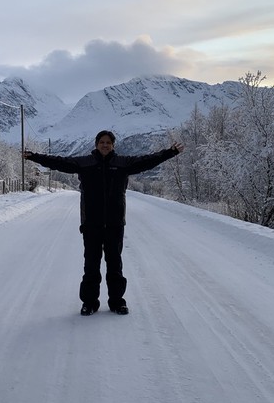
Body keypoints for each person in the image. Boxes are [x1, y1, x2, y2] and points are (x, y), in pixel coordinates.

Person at [24, 130, 183, 316]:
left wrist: (170, 152)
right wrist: (34, 157)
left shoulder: (123, 163)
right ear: (96, 144)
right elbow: (60, 162)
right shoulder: (85, 163)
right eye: (102, 142)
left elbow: (147, 161)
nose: (105, 145)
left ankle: (117, 302)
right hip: (91, 224)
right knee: (91, 265)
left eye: (108, 142)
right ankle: (90, 303)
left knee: (115, 265)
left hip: (115, 224)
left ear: (113, 145)